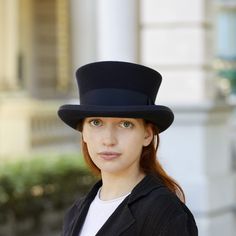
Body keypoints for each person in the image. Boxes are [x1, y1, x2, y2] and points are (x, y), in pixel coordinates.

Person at [58, 61, 198, 236]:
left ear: (147, 135)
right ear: (83, 133)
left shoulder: (165, 213)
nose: (108, 140)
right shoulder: (76, 212)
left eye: (125, 124)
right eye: (96, 123)